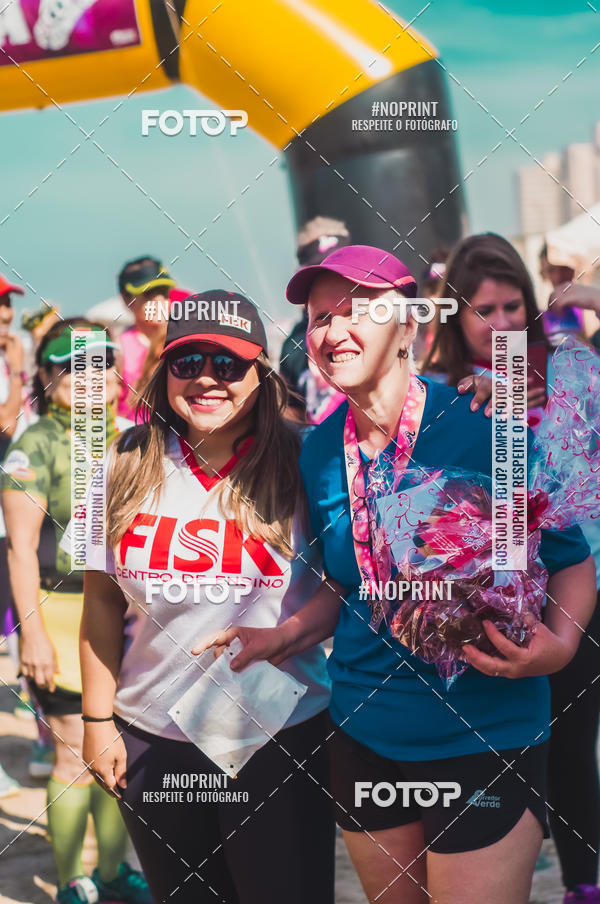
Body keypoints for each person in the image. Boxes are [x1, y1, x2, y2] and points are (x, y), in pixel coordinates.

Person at [200, 245, 596, 904]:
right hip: (364, 734)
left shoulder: (483, 422)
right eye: (320, 317)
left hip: (483, 735)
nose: (334, 329)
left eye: (357, 310)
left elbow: (571, 557)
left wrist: (561, 647)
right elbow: (348, 584)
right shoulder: (319, 451)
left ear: (409, 323)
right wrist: (282, 636)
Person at [77, 291, 335, 904]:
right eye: (188, 362)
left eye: (229, 364)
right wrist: (95, 721)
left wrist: (496, 390)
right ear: (164, 370)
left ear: (261, 374)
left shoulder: (309, 457)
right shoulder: (121, 459)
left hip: (276, 733)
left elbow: (346, 585)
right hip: (151, 735)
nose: (207, 379)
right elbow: (100, 603)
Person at [423, 234, 600, 903]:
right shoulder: (441, 391)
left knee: (575, 743)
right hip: (493, 597)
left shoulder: (571, 364)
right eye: (483, 310)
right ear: (456, 316)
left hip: (583, 582)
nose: (500, 323)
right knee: (511, 748)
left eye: (512, 306)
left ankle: (584, 884)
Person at [1, 319, 152, 904]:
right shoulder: (34, 444)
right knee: (71, 752)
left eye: (102, 360)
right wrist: (32, 634)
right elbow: (18, 550)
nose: (90, 375)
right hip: (60, 615)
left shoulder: (136, 438)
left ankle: (112, 872)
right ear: (46, 374)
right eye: (73, 363)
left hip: (129, 618)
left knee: (120, 752)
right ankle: (70, 881)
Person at [279, 216, 351, 416]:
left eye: (339, 268)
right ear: (300, 274)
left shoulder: (382, 320)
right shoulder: (292, 348)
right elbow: (291, 414)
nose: (331, 281)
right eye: (319, 273)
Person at [116, 256, 177, 419]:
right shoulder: (117, 348)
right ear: (126, 299)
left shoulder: (181, 341)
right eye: (149, 294)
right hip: (131, 432)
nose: (159, 300)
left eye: (164, 293)